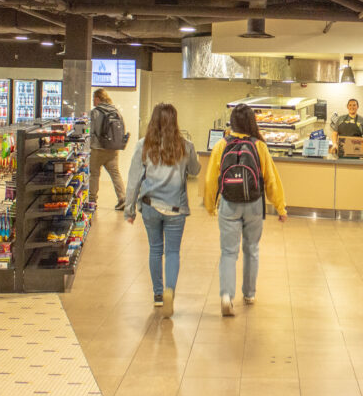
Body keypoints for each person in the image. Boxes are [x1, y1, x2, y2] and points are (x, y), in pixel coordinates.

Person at [204, 103, 287, 317]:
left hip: (229, 203)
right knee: (251, 249)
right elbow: (271, 178)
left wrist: (210, 204)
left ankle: (226, 296)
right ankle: (249, 294)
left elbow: (211, 178)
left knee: (228, 252)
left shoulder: (222, 145)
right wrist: (280, 206)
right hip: (253, 204)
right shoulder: (259, 146)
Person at [123, 103, 200, 316]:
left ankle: (158, 295)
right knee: (173, 252)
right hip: (176, 208)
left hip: (150, 206)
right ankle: (170, 291)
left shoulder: (143, 146)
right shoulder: (186, 146)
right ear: (175, 122)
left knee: (155, 249)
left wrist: (129, 210)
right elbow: (195, 171)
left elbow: (133, 181)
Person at [89, 88, 127, 211]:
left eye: (94, 99)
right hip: (113, 149)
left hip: (97, 149)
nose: (93, 101)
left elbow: (91, 130)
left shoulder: (95, 112)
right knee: (115, 174)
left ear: (98, 98)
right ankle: (122, 199)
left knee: (94, 174)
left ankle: (92, 200)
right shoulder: (115, 111)